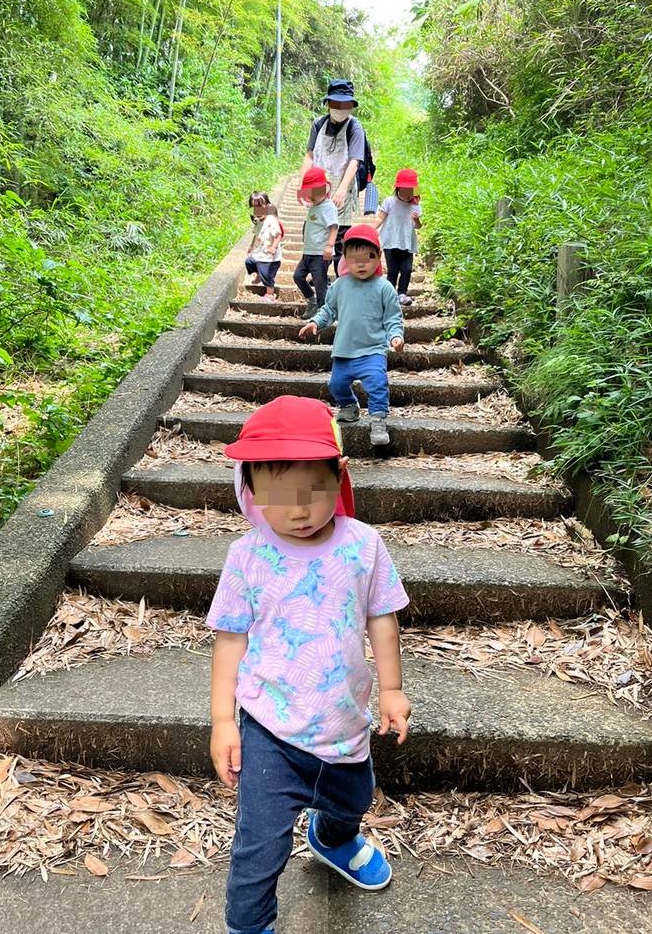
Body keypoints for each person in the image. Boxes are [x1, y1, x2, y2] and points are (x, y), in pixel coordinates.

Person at [207, 395, 411, 934]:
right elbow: (230, 641)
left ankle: (333, 838)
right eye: (276, 497)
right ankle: (248, 926)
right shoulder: (247, 557)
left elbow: (382, 618)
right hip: (270, 726)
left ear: (338, 477)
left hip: (344, 721)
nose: (297, 511)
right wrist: (224, 722)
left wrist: (391, 689)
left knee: (354, 799)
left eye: (311, 492)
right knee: (258, 848)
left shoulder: (363, 546)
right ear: (247, 491)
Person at [299, 225, 404, 448]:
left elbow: (393, 317)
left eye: (369, 257)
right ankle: (349, 406)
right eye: (354, 259)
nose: (362, 263)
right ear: (344, 258)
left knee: (377, 383)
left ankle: (378, 421)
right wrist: (315, 322)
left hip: (373, 349)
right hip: (344, 349)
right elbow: (329, 309)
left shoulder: (384, 288)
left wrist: (395, 336)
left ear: (379, 257)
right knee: (336, 384)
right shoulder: (340, 285)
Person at [300, 79, 365, 275]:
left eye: (345, 105)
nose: (340, 109)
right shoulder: (318, 124)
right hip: (319, 184)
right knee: (314, 229)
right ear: (328, 104)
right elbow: (310, 154)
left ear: (351, 107)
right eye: (335, 104)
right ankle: (319, 278)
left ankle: (341, 279)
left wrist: (342, 190)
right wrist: (302, 186)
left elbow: (355, 160)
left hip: (343, 183)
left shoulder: (355, 127)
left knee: (340, 236)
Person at [293, 166, 338, 320]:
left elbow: (333, 227)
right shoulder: (314, 204)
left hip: (320, 254)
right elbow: (301, 196)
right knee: (298, 276)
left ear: (325, 189)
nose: (310, 196)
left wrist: (329, 246)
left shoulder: (328, 207)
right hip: (308, 253)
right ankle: (312, 300)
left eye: (314, 193)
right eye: (309, 193)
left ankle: (323, 313)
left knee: (320, 284)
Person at [376, 169, 422, 307]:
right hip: (390, 241)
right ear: (398, 188)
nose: (408, 195)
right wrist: (371, 229)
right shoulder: (390, 202)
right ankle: (390, 295)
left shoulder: (415, 206)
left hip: (407, 242)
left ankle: (402, 293)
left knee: (407, 269)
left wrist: (417, 220)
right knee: (393, 270)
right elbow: (380, 217)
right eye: (405, 190)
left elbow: (418, 227)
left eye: (411, 191)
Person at [245, 202, 284, 300]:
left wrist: (273, 247)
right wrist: (251, 246)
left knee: (267, 275)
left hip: (270, 257)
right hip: (260, 254)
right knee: (249, 262)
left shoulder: (271, 221)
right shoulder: (259, 222)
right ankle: (259, 275)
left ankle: (270, 294)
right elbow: (256, 235)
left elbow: (278, 235)